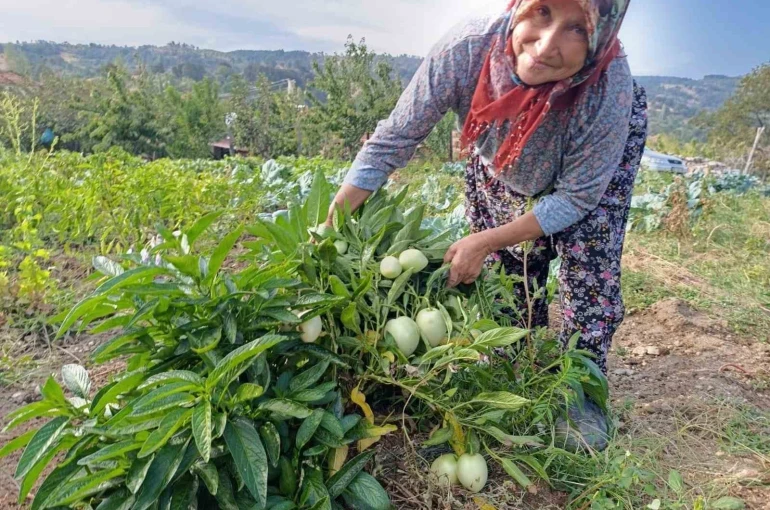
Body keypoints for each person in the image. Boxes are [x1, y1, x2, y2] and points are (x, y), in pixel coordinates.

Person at [324, 0, 648, 448]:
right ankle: (511, 352)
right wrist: (333, 221)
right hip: (505, 157)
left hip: (585, 176)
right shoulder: (467, 51)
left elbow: (578, 196)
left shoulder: (607, 87)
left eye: (577, 29)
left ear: (601, 36)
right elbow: (392, 141)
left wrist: (486, 240)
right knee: (507, 267)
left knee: (589, 265)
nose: (547, 44)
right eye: (543, 12)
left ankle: (580, 385)